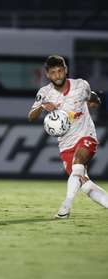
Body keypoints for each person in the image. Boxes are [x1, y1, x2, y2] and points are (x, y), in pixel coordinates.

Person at [28, 55, 108, 219]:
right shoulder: (45, 93)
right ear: (48, 75)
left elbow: (93, 98)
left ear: (66, 70)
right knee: (84, 184)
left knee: (79, 162)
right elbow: (31, 116)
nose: (57, 75)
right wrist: (43, 107)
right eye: (53, 73)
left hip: (86, 135)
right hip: (65, 143)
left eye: (60, 71)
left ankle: (66, 207)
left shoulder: (81, 85)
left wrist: (94, 102)